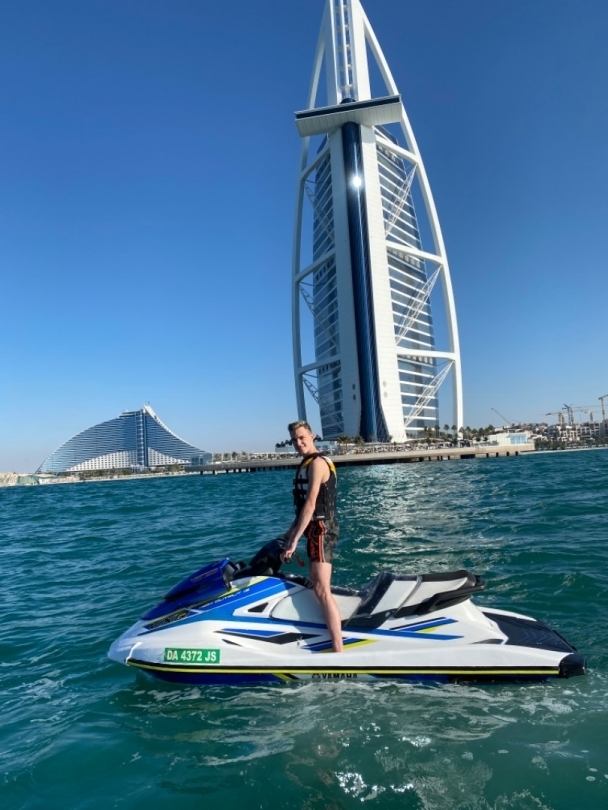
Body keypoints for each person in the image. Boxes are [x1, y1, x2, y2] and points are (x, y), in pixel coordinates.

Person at [280, 420, 343, 653]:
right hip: (314, 529)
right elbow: (302, 510)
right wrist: (290, 533)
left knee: (322, 588)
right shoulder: (307, 463)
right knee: (316, 584)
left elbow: (311, 504)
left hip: (322, 529)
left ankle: (339, 651)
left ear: (312, 436)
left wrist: (295, 539)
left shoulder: (317, 463)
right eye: (294, 440)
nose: (298, 443)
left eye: (302, 438)